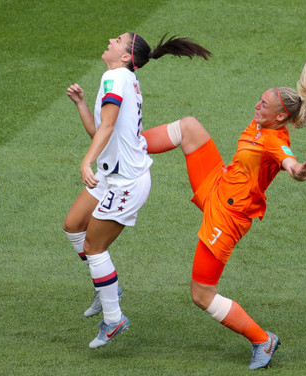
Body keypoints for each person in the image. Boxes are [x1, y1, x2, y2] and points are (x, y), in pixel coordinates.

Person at [141, 52, 306, 368]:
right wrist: (304, 112)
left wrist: (297, 170)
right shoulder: (265, 121)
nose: (256, 106)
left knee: (202, 295)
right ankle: (129, 144)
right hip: (219, 184)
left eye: (264, 105)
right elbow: (292, 112)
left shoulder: (274, 138)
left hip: (228, 216)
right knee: (189, 127)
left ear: (277, 118)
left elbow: (287, 160)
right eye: (260, 100)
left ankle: (263, 340)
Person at [63, 32, 211, 349]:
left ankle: (114, 319)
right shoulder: (119, 77)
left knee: (94, 248)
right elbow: (100, 130)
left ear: (127, 55)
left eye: (117, 40)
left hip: (126, 182)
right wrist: (80, 105)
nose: (111, 40)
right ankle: (107, 288)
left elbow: (105, 129)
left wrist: (85, 162)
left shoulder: (116, 77)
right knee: (73, 226)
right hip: (110, 174)